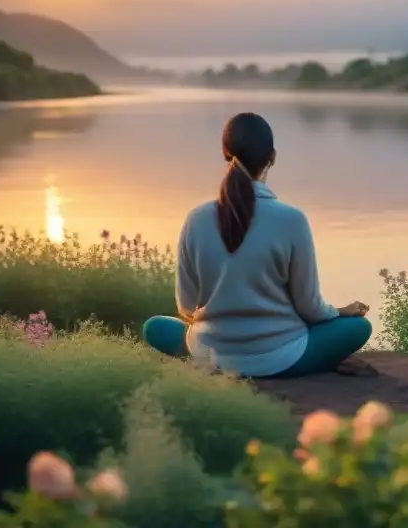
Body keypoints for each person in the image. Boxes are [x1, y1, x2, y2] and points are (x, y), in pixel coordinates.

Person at [141, 112, 372, 378]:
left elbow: (185, 306)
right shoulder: (292, 220)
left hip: (213, 355)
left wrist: (223, 321)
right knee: (358, 327)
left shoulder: (196, 219)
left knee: (155, 327)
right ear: (272, 157)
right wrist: (339, 311)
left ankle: (214, 359)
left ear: (225, 152)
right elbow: (310, 308)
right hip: (279, 358)